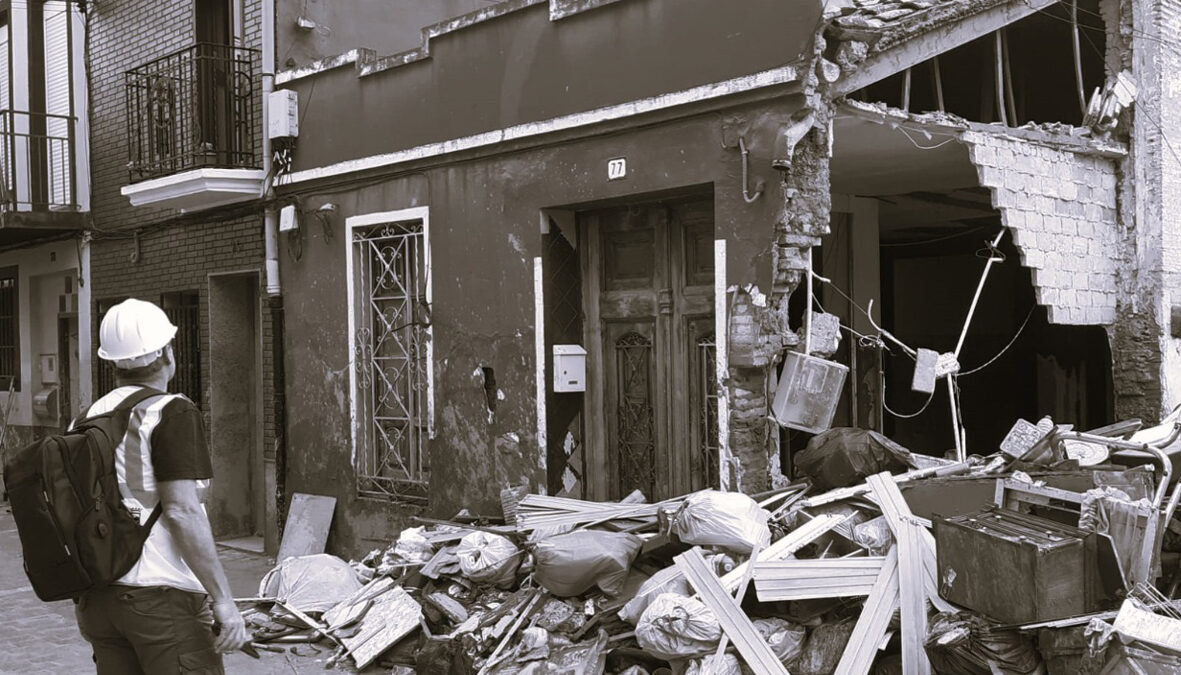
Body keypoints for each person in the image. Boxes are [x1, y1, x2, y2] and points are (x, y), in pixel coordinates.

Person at [74, 298, 248, 673]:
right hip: (161, 601)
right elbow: (183, 511)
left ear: (112, 362)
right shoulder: (171, 411)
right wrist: (223, 600)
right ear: (168, 353)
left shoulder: (85, 418)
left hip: (99, 601)